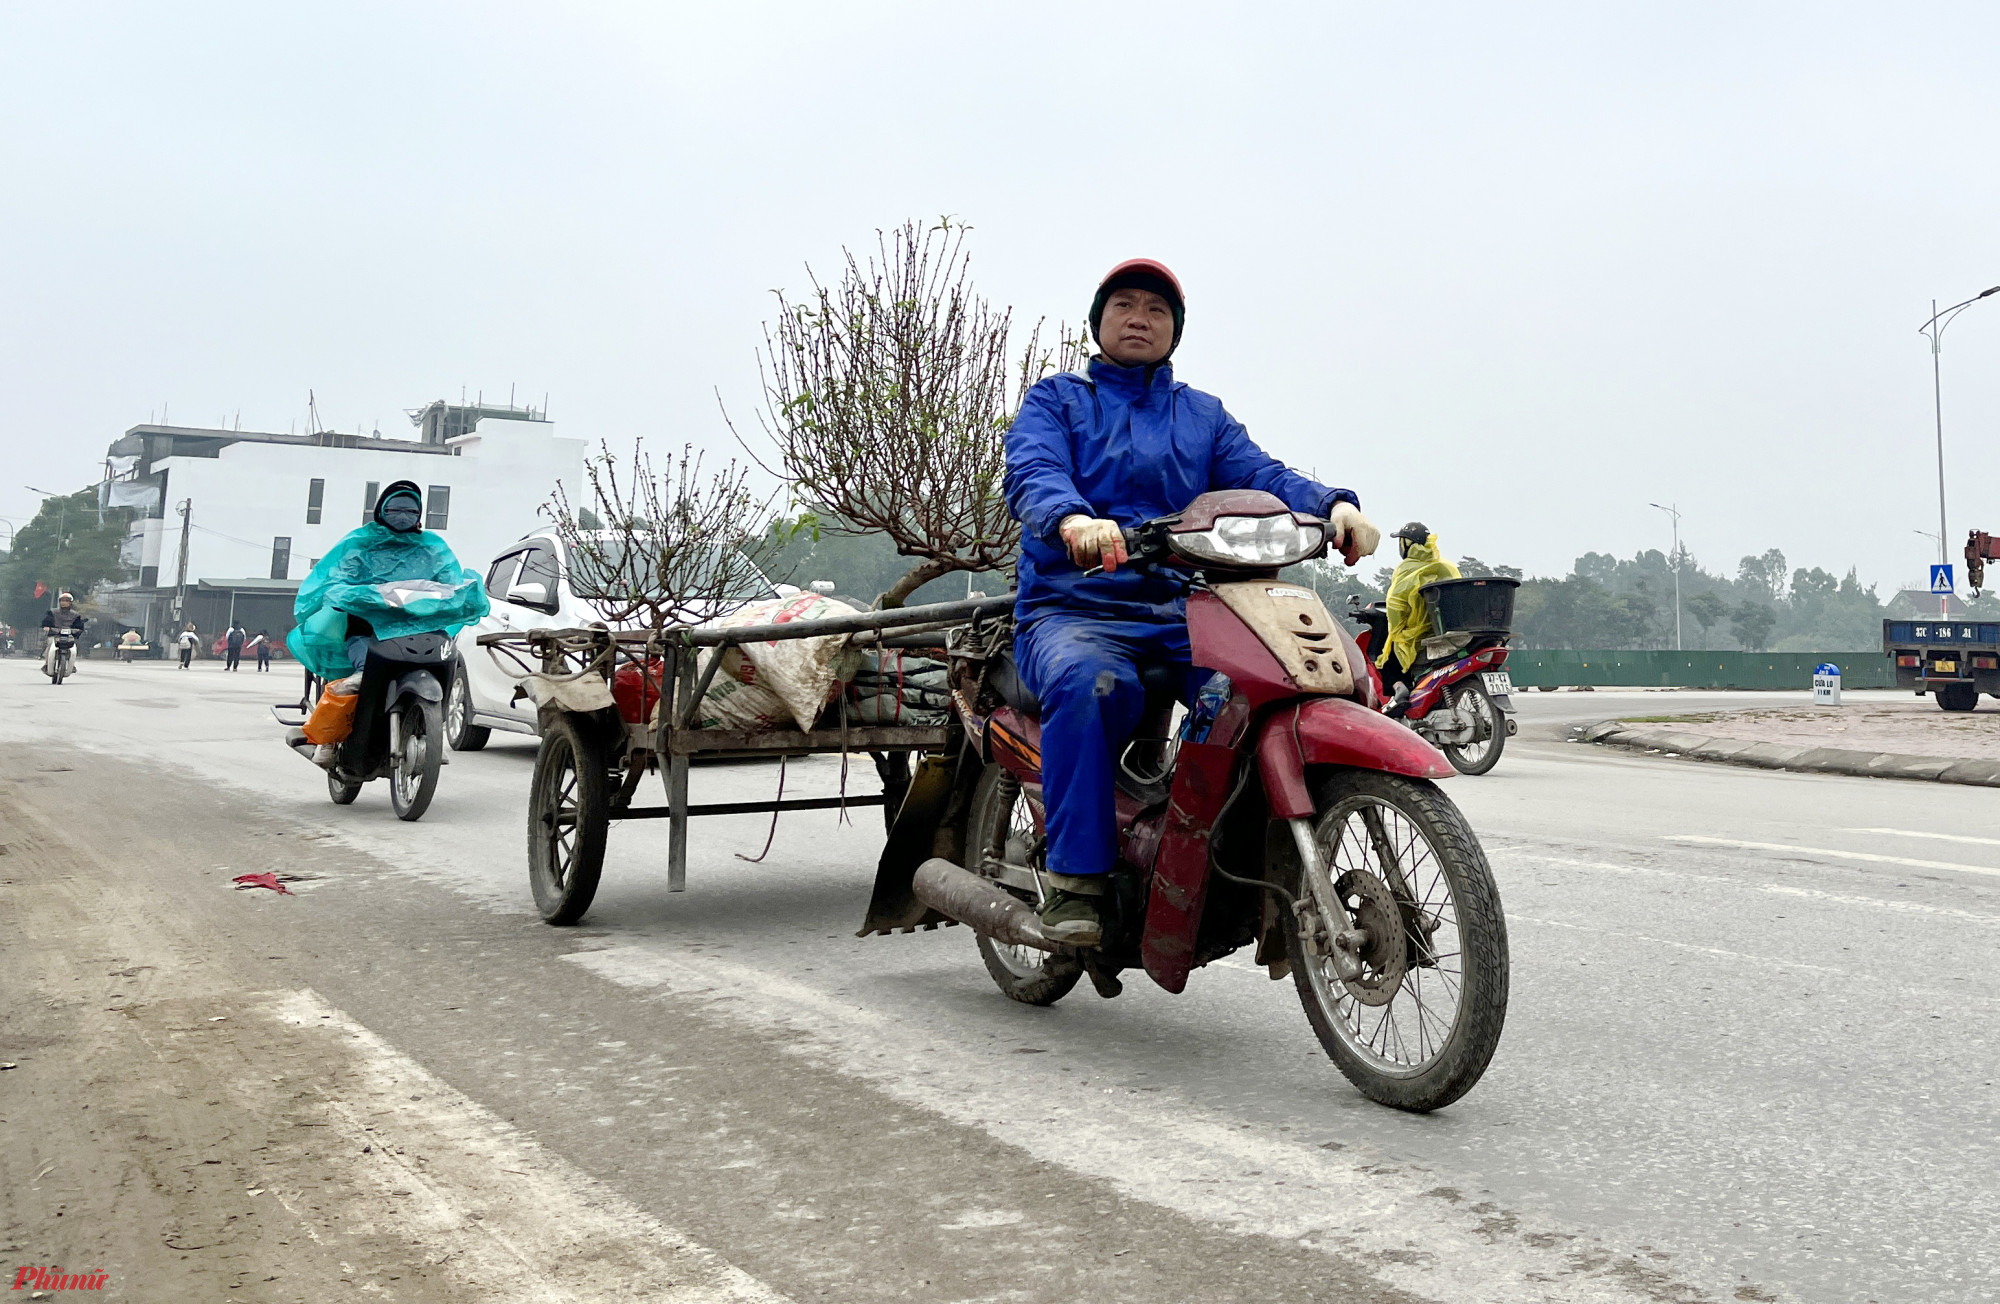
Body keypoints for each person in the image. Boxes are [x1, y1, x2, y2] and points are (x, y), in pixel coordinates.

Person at [1002, 259, 1379, 945]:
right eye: (1124, 305)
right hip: (1074, 610)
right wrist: (1074, 521)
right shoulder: (1057, 400)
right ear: (1098, 324)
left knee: (1266, 684)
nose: (1140, 317)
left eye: (1157, 308)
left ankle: (1222, 849)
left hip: (1182, 609)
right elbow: (1035, 469)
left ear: (1175, 330)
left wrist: (1333, 505)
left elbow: (1262, 475)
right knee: (1091, 686)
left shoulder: (1201, 416)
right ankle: (1075, 881)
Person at [288, 481, 488, 767]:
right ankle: (328, 740)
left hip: (423, 632)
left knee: (447, 669)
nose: (403, 515)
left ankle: (429, 734)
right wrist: (361, 595)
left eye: (410, 510)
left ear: (420, 514)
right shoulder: (359, 543)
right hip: (368, 631)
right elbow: (335, 580)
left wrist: (462, 593)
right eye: (395, 508)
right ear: (381, 510)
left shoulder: (433, 547)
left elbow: (452, 582)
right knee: (356, 682)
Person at [1375, 523, 1461, 692]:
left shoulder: (1407, 568)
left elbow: (1395, 605)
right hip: (1448, 630)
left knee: (1385, 657)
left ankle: (1401, 692)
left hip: (1419, 636)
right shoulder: (1446, 566)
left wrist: (1395, 631)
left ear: (1407, 544)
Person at [40, 593, 87, 678]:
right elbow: (45, 623)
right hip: (55, 635)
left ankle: (71, 664)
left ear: (70, 603)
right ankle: (47, 664)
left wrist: (77, 631)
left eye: (66, 601)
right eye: (62, 601)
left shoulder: (76, 615)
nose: (64, 603)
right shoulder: (52, 613)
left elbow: (79, 627)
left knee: (74, 646)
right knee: (50, 644)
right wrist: (46, 627)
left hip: (69, 636)